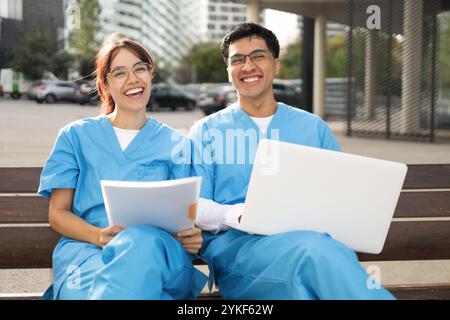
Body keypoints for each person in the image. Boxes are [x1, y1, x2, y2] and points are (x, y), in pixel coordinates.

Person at [190, 23, 395, 300]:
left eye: (258, 56)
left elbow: (341, 193)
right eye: (237, 60)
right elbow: (194, 206)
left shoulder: (313, 127)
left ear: (276, 65)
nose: (247, 66)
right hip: (239, 251)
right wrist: (237, 215)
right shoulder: (206, 131)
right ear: (229, 71)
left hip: (309, 242)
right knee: (313, 252)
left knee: (303, 283)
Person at [38, 33, 207, 300]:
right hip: (87, 252)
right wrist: (99, 236)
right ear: (105, 84)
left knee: (140, 243)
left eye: (140, 68)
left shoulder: (178, 143)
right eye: (119, 73)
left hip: (158, 253)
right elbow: (57, 213)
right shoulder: (75, 137)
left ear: (151, 74)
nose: (132, 79)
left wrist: (192, 238)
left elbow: (186, 217)